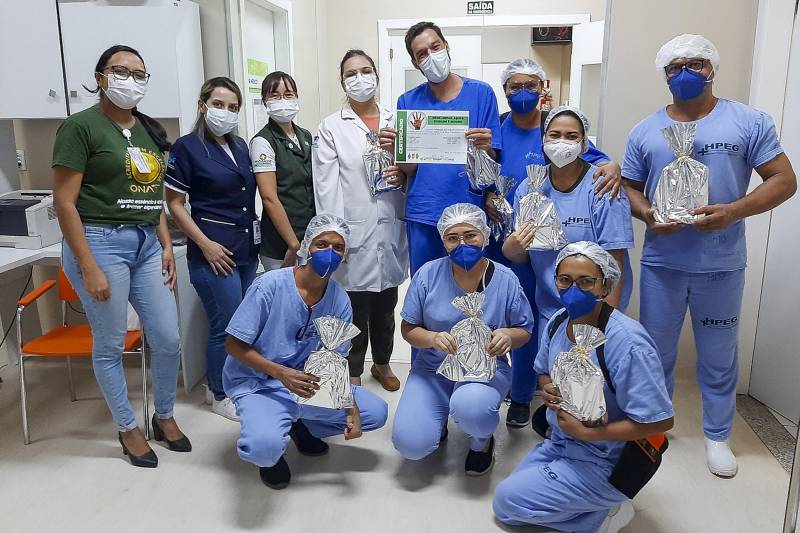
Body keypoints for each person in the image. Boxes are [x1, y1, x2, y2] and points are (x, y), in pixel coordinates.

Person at [621, 34, 796, 477]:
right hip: (662, 265)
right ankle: (653, 430)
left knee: (719, 357)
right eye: (674, 67)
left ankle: (718, 436)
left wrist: (734, 211)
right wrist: (647, 213)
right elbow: (629, 187)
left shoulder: (747, 122)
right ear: (664, 75)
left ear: (712, 68)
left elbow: (783, 180)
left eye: (695, 64)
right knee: (654, 353)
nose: (684, 73)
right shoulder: (645, 130)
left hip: (720, 265)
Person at [53, 45, 189, 468]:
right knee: (111, 344)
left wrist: (165, 245)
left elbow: (152, 198)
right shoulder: (80, 127)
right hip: (100, 242)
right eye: (121, 71)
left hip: (146, 243)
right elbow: (64, 202)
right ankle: (128, 428)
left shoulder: (149, 129)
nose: (131, 80)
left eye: (139, 74)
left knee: (167, 338)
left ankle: (163, 415)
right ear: (100, 78)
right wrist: (88, 266)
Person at [493, 242, 674, 533]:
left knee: (506, 502)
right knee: (511, 500)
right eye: (565, 279)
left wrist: (590, 433)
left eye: (586, 281)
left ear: (605, 286)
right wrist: (548, 387)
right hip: (561, 442)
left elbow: (659, 421)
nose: (573, 289)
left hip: (608, 458)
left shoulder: (627, 343)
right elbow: (543, 372)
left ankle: (604, 515)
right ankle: (593, 505)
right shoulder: (557, 322)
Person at [491, 58, 623, 429]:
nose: (562, 143)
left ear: (584, 142)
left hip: (588, 297)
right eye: (554, 136)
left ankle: (588, 415)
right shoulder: (527, 186)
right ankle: (528, 397)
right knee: (535, 339)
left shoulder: (599, 186)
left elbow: (615, 260)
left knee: (588, 367)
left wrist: (606, 318)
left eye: (571, 136)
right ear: (543, 140)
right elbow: (515, 253)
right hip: (542, 284)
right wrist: (513, 244)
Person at [223, 215, 389, 489]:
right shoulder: (270, 286)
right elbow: (233, 345)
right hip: (259, 383)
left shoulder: (339, 299)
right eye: (321, 244)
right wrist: (281, 373)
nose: (330, 252)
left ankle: (299, 423)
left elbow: (335, 359)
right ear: (306, 247)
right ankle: (274, 443)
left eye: (338, 247)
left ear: (345, 255)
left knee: (374, 412)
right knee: (263, 448)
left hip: (306, 383)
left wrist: (350, 406)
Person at [392, 203, 533, 476]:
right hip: (433, 368)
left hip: (485, 369)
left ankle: (481, 442)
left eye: (470, 235)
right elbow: (408, 328)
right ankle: (436, 419)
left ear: (485, 235)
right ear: (443, 240)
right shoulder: (428, 275)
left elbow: (524, 330)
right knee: (411, 444)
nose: (462, 244)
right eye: (452, 238)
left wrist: (507, 335)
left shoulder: (505, 279)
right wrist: (432, 338)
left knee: (472, 406)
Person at [313, 49, 408, 391]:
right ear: (342, 82)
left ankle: (382, 364)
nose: (359, 78)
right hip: (352, 231)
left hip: (391, 227)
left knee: (386, 305)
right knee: (354, 308)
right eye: (351, 73)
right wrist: (335, 238)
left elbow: (414, 170)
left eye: (366, 71)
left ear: (377, 75)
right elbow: (326, 186)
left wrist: (403, 174)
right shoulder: (331, 127)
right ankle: (352, 369)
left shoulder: (398, 119)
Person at [165, 77, 258, 421]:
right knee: (226, 325)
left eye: (233, 107)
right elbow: (174, 204)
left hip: (244, 248)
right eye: (219, 105)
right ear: (202, 105)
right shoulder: (187, 147)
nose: (226, 112)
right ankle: (219, 394)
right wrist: (205, 244)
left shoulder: (240, 146)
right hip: (212, 253)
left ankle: (229, 383)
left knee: (242, 323)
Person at [379, 21, 502, 276]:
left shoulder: (481, 94)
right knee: (426, 285)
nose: (431, 56)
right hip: (424, 211)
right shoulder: (408, 101)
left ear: (446, 45)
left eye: (435, 47)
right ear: (415, 63)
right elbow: (409, 169)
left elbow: (492, 162)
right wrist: (397, 149)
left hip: (468, 211)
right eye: (422, 54)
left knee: (471, 285)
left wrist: (486, 147)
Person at [250, 71, 316, 272]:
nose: (282, 101)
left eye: (288, 95)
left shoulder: (305, 136)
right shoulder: (263, 142)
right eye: (275, 95)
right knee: (283, 292)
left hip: (307, 236)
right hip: (282, 245)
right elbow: (269, 198)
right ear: (265, 101)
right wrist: (293, 244)